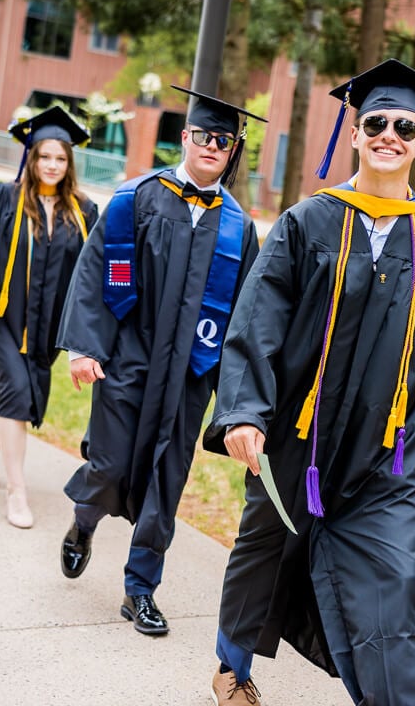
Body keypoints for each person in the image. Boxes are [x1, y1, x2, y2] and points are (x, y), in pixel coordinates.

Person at [202, 59, 415, 706]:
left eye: (405, 128)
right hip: (298, 438)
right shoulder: (310, 223)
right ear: (355, 134)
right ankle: (231, 668)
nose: (389, 135)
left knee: (396, 583)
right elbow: (257, 320)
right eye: (376, 122)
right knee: (264, 557)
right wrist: (243, 411)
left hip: (389, 453)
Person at [55, 86, 265, 636]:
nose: (212, 146)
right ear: (185, 138)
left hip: (188, 375)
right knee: (110, 465)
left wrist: (239, 399)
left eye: (223, 140)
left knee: (165, 482)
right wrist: (84, 346)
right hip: (128, 361)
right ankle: (84, 521)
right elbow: (104, 268)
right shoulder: (137, 198)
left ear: (232, 149)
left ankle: (140, 589)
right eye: (203, 136)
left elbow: (244, 318)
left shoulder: (239, 229)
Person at [0, 107, 99, 529]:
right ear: (31, 158)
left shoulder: (83, 210)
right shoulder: (2, 198)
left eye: (60, 158)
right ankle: (17, 492)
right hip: (3, 317)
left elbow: (91, 272)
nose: (52, 165)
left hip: (47, 326)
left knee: (18, 394)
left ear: (69, 163)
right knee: (14, 389)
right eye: (44, 156)